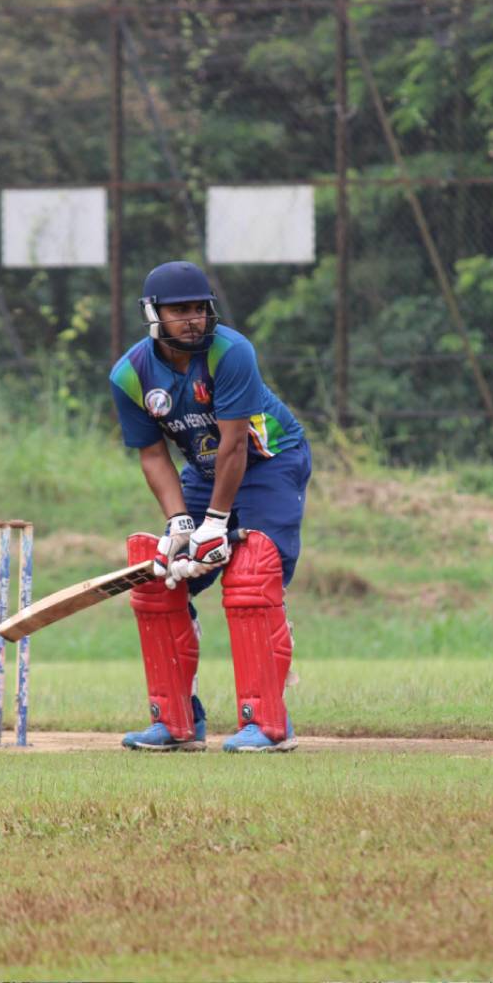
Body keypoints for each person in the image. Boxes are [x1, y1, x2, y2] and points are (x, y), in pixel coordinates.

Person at [108, 260, 311, 753]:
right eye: (180, 310)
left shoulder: (231, 353)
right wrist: (180, 522)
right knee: (161, 578)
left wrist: (215, 525)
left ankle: (267, 724)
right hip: (203, 472)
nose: (193, 318)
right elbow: (153, 454)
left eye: (199, 308)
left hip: (270, 462)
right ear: (154, 314)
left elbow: (236, 445)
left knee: (252, 576)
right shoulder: (130, 375)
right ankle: (176, 723)